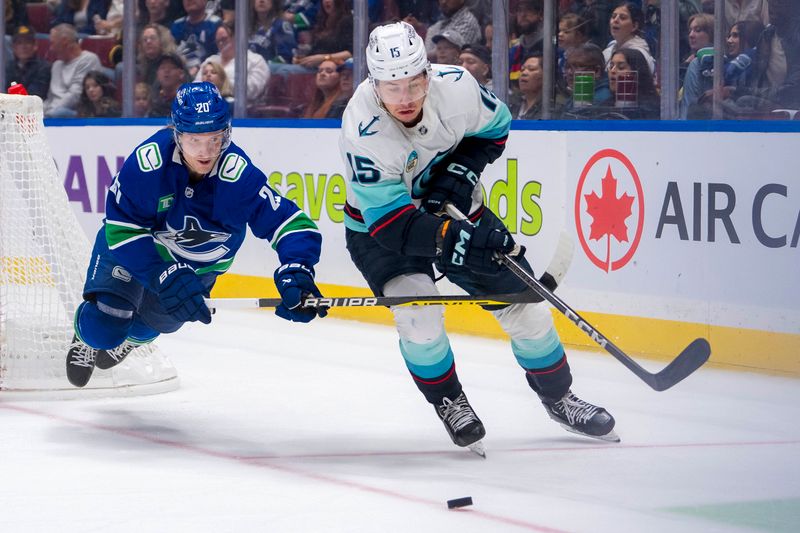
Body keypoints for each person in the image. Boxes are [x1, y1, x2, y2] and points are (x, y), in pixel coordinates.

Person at [338, 21, 618, 454]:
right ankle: (449, 401)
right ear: (374, 86)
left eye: (414, 83)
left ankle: (559, 397)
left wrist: (459, 171)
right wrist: (458, 238)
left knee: (527, 310)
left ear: (428, 72)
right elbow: (394, 227)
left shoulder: (458, 87)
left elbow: (495, 128)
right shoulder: (362, 129)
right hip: (382, 229)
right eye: (393, 88)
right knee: (419, 316)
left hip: (457, 207)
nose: (407, 97)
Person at [65, 81, 326, 388]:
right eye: (194, 140)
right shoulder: (148, 164)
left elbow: (291, 224)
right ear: (177, 133)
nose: (205, 152)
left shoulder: (238, 176)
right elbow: (122, 230)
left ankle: (133, 337)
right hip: (137, 251)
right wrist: (163, 273)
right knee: (104, 329)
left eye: (214, 139)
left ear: (226, 134)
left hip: (196, 269)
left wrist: (297, 268)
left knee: (151, 326)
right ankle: (87, 339)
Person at [195, 22, 270, 106]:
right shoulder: (211, 60)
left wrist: (221, 83)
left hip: (242, 111)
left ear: (236, 38)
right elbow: (196, 85)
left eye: (224, 39)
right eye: (218, 41)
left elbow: (253, 90)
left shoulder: (255, 60)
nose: (220, 44)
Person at [43, 24, 103, 118]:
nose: (51, 48)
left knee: (59, 113)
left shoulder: (88, 60)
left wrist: (49, 114)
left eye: (53, 43)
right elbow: (51, 98)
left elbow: (75, 96)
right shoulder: (56, 65)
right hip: (51, 113)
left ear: (64, 41)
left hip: (74, 114)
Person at [602, 2, 655, 75]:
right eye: (613, 16)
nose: (615, 20)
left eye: (622, 18)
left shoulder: (640, 55)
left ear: (634, 26)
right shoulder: (609, 49)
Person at [5, 26, 51, 101]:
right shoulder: (9, 66)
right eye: (19, 43)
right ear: (13, 47)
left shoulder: (43, 67)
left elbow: (34, 95)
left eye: (28, 42)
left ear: (35, 46)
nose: (24, 47)